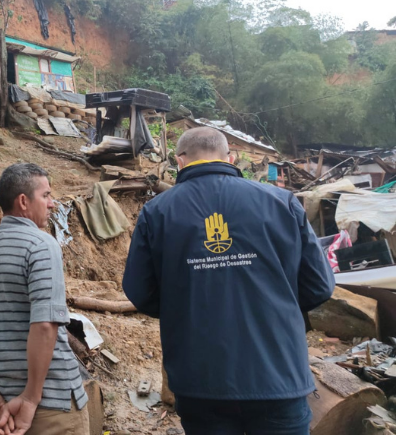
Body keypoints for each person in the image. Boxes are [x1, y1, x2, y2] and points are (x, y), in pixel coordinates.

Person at [122, 127, 334, 435]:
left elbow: (141, 292)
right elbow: (319, 286)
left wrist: (185, 304)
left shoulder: (157, 213)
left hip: (200, 381)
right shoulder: (282, 203)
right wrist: (275, 302)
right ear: (230, 158)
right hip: (278, 374)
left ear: (179, 162)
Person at [0, 163, 89, 435]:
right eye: (46, 195)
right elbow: (44, 326)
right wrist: (30, 397)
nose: (52, 204)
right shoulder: (41, 244)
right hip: (50, 409)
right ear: (24, 202)